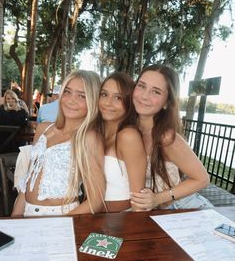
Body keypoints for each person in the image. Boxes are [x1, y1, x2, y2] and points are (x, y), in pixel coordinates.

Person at [11, 69, 106, 217]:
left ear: (92, 101)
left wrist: (61, 223)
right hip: (27, 214)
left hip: (62, 216)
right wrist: (15, 219)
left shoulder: (89, 138)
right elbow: (28, 182)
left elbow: (96, 200)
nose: (71, 100)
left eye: (81, 96)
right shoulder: (43, 129)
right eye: (67, 92)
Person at [130, 64, 213, 210]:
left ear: (167, 103)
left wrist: (157, 198)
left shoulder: (166, 138)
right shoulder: (130, 130)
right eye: (141, 86)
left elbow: (202, 179)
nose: (144, 96)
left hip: (183, 209)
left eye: (156, 92)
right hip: (152, 213)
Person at [95, 72, 146, 212]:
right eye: (104, 94)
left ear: (129, 102)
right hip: (93, 218)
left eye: (118, 97)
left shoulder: (128, 136)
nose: (107, 103)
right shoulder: (96, 132)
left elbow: (139, 199)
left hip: (121, 220)